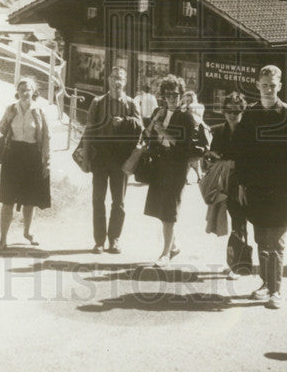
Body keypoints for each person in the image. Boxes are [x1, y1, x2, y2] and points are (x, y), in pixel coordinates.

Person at [234, 66, 287, 309]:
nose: (268, 89)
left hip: (282, 188)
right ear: (257, 85)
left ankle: (276, 291)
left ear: (280, 86)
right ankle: (265, 284)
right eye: (264, 84)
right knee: (261, 239)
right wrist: (242, 184)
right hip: (256, 187)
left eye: (273, 85)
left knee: (276, 241)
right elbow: (242, 153)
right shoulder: (251, 115)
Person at [139, 75, 201, 266]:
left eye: (176, 94)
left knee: (169, 209)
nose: (172, 98)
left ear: (182, 95)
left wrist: (162, 131)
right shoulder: (159, 112)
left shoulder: (187, 117)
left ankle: (165, 254)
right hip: (159, 163)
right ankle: (173, 245)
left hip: (176, 166)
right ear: (163, 95)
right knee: (160, 207)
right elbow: (147, 136)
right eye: (168, 94)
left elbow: (185, 145)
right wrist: (151, 129)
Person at [81, 66, 143, 254]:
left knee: (119, 201)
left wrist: (124, 122)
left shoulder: (131, 103)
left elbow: (141, 127)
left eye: (121, 79)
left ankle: (114, 240)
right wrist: (85, 158)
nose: (117, 82)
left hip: (121, 158)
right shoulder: (98, 102)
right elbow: (88, 130)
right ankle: (99, 241)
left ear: (125, 82)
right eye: (114, 77)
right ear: (108, 79)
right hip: (100, 157)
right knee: (98, 199)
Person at [0, 77, 50, 249]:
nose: (25, 93)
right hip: (13, 155)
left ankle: (28, 232)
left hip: (32, 155)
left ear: (34, 92)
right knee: (7, 199)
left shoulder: (40, 111)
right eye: (22, 90)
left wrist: (47, 162)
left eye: (28, 90)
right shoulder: (11, 108)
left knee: (30, 199)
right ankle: (3, 239)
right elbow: (1, 128)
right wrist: (8, 118)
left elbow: (47, 137)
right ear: (17, 92)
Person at [207, 92, 249, 279]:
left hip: (243, 183)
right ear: (224, 112)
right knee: (235, 221)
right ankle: (237, 263)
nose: (233, 115)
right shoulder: (219, 131)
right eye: (229, 111)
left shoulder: (246, 132)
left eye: (237, 111)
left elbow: (249, 161)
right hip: (226, 183)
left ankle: (238, 265)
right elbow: (213, 155)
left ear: (242, 111)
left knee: (240, 221)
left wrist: (242, 183)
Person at [181, 90, 212, 181]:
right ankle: (199, 177)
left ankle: (184, 177)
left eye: (189, 100)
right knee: (195, 157)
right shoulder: (199, 107)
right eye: (185, 100)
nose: (187, 102)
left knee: (189, 157)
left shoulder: (191, 108)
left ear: (193, 99)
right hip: (196, 134)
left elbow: (193, 120)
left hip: (193, 134)